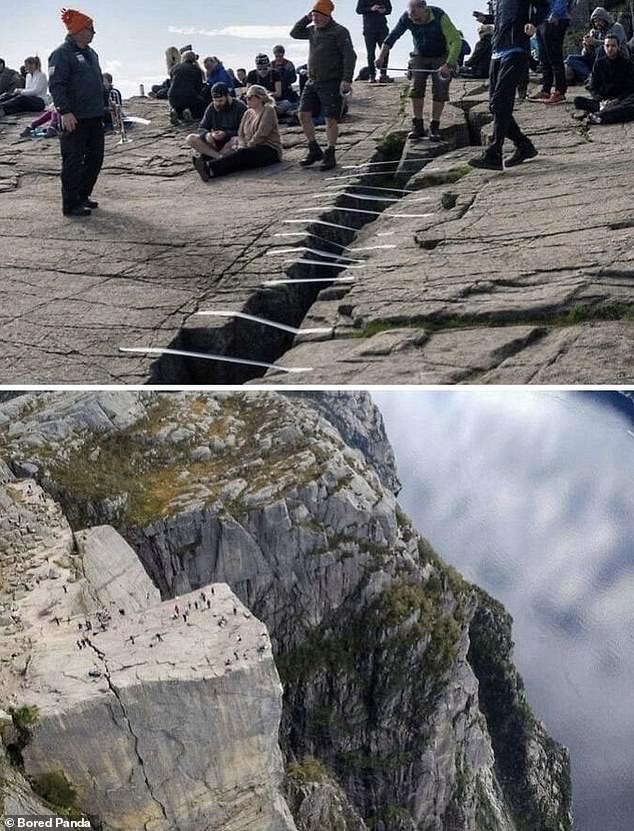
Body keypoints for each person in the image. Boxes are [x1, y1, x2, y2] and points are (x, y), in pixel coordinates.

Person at [469, 0, 549, 171]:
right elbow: (505, 17)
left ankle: (494, 152)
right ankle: (524, 145)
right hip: (497, 51)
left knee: (500, 103)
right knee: (495, 106)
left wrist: (533, 23)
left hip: (516, 49)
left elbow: (544, 6)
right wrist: (487, 19)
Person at [48, 8, 105, 218]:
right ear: (80, 30)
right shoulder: (61, 54)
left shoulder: (92, 54)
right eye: (91, 29)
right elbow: (56, 85)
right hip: (74, 117)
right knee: (73, 160)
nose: (93, 33)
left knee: (95, 158)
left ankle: (83, 195)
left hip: (94, 115)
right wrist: (64, 111)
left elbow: (97, 83)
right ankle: (70, 204)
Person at [377, 0, 461, 141]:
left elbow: (455, 40)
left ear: (425, 9)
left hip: (441, 55)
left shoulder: (439, 15)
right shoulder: (407, 17)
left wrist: (449, 63)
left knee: (440, 90)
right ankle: (418, 125)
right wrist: (381, 57)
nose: (416, 21)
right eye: (413, 18)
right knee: (416, 88)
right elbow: (392, 37)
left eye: (418, 18)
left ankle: (434, 126)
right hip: (420, 54)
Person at [290, 0, 357, 171]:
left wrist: (347, 79)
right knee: (303, 114)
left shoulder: (339, 31)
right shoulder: (312, 30)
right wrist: (306, 18)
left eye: (318, 15)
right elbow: (294, 33)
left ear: (328, 15)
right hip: (312, 80)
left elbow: (350, 56)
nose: (315, 19)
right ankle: (314, 149)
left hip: (332, 81)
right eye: (313, 15)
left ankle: (331, 152)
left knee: (330, 118)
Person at [192, 84, 282, 181]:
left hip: (268, 148)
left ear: (260, 98)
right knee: (240, 156)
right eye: (245, 97)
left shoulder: (268, 110)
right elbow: (241, 132)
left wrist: (247, 146)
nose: (247, 100)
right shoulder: (248, 112)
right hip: (250, 146)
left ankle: (211, 168)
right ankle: (209, 163)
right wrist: (242, 144)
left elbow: (262, 134)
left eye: (250, 97)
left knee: (242, 154)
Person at [574, 34, 634, 124]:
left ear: (618, 47)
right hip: (603, 100)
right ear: (604, 47)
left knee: (629, 109)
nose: (610, 49)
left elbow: (631, 88)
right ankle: (603, 113)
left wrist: (616, 100)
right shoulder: (599, 63)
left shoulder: (626, 64)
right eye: (607, 46)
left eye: (613, 46)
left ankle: (600, 116)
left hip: (620, 100)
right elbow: (593, 86)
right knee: (577, 100)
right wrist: (601, 100)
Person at [565, 7, 627, 84]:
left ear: (605, 19)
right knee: (570, 59)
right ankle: (591, 77)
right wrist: (587, 47)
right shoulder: (594, 31)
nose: (597, 23)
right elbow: (585, 55)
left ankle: (593, 77)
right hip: (597, 62)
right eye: (595, 21)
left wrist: (595, 42)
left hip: (616, 59)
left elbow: (614, 44)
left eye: (599, 20)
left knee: (600, 49)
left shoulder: (616, 27)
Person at [186, 82, 247, 158]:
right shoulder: (212, 107)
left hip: (232, 140)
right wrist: (207, 135)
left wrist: (225, 134)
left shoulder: (240, 107)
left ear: (228, 96)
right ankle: (219, 157)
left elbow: (246, 131)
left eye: (221, 101)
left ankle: (215, 157)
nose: (218, 104)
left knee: (237, 140)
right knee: (191, 138)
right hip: (215, 142)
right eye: (216, 101)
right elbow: (202, 127)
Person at [528, 0, 570, 103]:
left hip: (555, 19)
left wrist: (555, 13)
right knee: (544, 58)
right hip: (543, 20)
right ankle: (546, 90)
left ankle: (560, 91)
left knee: (554, 57)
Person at [356, 1, 393, 84]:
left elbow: (389, 10)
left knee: (385, 51)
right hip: (369, 29)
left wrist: (384, 10)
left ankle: (383, 75)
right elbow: (358, 10)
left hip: (382, 28)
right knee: (370, 53)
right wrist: (371, 9)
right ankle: (372, 75)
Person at [168, 51, 204, 124]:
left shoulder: (174, 68)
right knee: (202, 105)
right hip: (189, 97)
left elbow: (172, 83)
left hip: (173, 97)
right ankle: (189, 111)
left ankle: (174, 110)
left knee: (177, 104)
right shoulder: (196, 69)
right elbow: (199, 87)